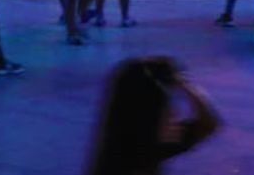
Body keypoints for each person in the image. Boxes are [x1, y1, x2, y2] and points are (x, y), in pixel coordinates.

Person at [85, 57, 221, 175]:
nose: (175, 116)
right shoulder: (136, 157)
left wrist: (183, 84)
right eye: (166, 110)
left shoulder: (146, 144)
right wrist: (184, 85)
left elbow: (209, 124)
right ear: (146, 115)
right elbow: (208, 124)